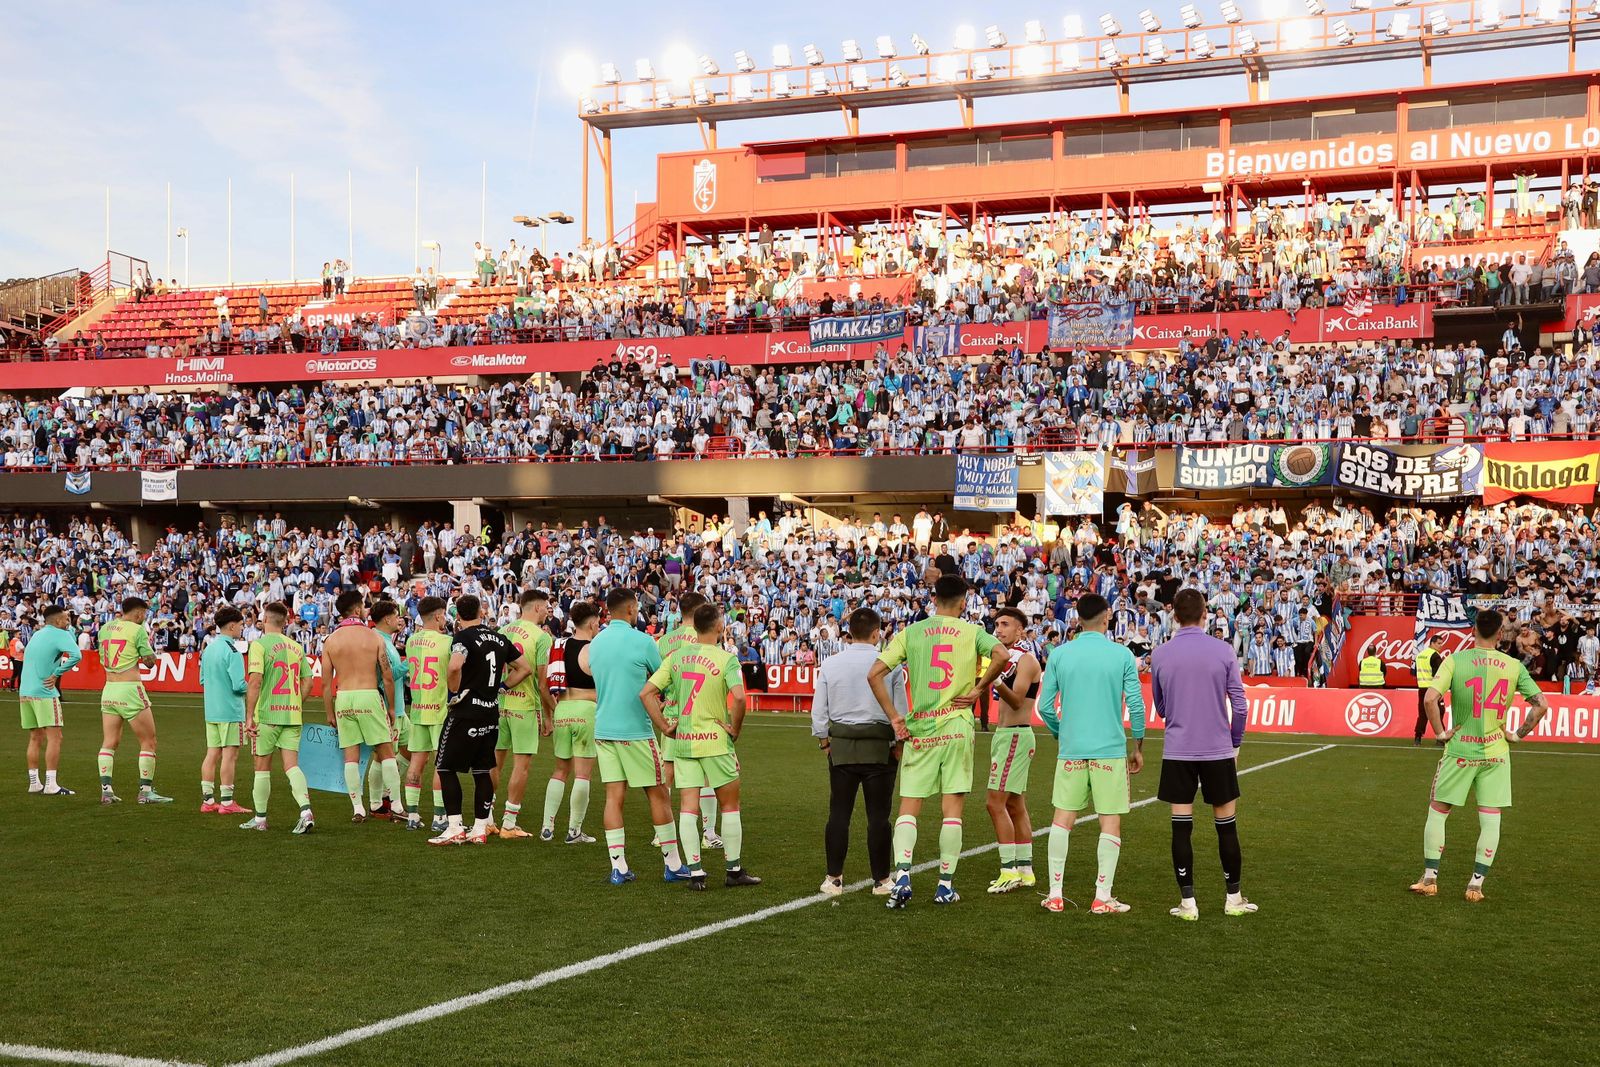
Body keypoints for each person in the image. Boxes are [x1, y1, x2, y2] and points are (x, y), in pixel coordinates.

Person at [868, 574, 1010, 908]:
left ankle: (902, 876)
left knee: (909, 806)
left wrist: (895, 717)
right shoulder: (973, 632)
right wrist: (978, 689)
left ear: (933, 599)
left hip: (922, 729)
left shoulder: (911, 632)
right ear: (963, 602)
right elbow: (1002, 655)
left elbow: (873, 673)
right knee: (952, 810)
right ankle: (945, 885)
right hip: (957, 727)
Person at [1411, 609, 1550, 902]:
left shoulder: (1455, 660)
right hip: (1496, 753)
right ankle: (1476, 884)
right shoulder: (1513, 666)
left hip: (1460, 750)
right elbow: (1540, 705)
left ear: (1474, 630)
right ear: (1501, 634)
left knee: (1438, 812)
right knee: (1490, 819)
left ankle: (1430, 879)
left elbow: (1429, 698)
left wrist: (1440, 731)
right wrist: (1517, 734)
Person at [1036, 594, 1146, 915]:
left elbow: (1044, 706)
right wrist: (1137, 746)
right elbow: (1137, 706)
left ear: (1077, 619)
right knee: (1109, 822)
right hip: (1110, 752)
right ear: (1107, 615)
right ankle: (1102, 897)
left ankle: (1055, 894)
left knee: (1062, 820)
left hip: (1072, 749)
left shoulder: (1060, 654)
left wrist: (1060, 732)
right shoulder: (1121, 654)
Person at [1150, 588, 1254, 921]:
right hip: (1217, 750)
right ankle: (1233, 898)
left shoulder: (1161, 654)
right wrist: (1235, 742)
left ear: (1175, 616)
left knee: (1181, 828)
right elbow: (1240, 704)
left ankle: (1188, 903)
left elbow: (1161, 706)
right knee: (1227, 827)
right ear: (1205, 613)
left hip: (1178, 750)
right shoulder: (1223, 650)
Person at [641, 602, 758, 890]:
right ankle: (733, 871)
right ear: (719, 627)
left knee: (688, 808)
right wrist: (735, 729)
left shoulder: (677, 657)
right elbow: (740, 699)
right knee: (730, 806)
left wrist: (665, 726)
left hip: (684, 743)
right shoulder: (726, 659)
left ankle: (695, 872)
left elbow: (646, 692)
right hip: (716, 742)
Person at [584, 587, 689, 884]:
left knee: (613, 798)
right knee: (658, 794)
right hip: (636, 731)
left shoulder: (597, 642)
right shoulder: (644, 641)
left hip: (604, 729)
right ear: (631, 609)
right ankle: (672, 863)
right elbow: (662, 682)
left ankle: (618, 866)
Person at [812, 607, 902, 897]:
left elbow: (819, 711)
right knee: (879, 817)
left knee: (839, 813)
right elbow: (900, 712)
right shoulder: (889, 664)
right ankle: (882, 880)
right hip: (880, 747)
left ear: (849, 632)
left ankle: (834, 878)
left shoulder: (831, 663)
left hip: (841, 747)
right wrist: (899, 745)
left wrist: (824, 742)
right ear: (877, 633)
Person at [432, 594, 530, 845]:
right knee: (482, 769)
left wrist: (454, 692)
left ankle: (454, 826)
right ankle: (478, 829)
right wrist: (503, 687)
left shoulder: (462, 637)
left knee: (445, 767)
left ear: (458, 616)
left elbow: (455, 666)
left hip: (466, 712)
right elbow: (525, 668)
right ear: (480, 612)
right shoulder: (499, 637)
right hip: (491, 711)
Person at [320, 590, 399, 823]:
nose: (366, 611)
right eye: (364, 607)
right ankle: (396, 804)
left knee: (351, 757)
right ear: (356, 610)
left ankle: (358, 808)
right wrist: (392, 708)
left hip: (344, 698)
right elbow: (387, 675)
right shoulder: (373, 637)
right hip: (368, 696)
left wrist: (329, 712)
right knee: (386, 752)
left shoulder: (330, 640)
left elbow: (326, 684)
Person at [239, 602, 316, 834]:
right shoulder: (296, 646)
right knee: (292, 766)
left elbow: (255, 681)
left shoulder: (259, 645)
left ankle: (260, 819)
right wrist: (295, 702)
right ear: (285, 622)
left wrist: (249, 715)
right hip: (292, 715)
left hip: (268, 715)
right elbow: (308, 681)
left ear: (264, 619)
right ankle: (305, 811)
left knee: (262, 766)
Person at [656, 591, 721, 849]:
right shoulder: (702, 637)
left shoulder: (664, 641)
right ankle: (708, 834)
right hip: (696, 714)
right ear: (700, 610)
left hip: (669, 714)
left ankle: (662, 832)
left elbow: (656, 678)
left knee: (667, 774)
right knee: (704, 775)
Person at [984, 607, 1041, 896]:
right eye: (996, 624)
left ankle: (1008, 871)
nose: (999, 628)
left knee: (994, 803)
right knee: (1015, 805)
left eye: (1005, 624)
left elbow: (1018, 701)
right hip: (1007, 735)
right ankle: (1026, 871)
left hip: (1015, 736)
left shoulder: (1026, 660)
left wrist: (992, 678)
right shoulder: (1007, 659)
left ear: (1021, 631)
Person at [495, 589, 555, 839]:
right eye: (547, 607)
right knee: (521, 765)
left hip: (499, 704)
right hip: (526, 707)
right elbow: (542, 684)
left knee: (494, 761)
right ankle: (509, 823)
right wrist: (550, 714)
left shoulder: (503, 631)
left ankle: (485, 818)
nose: (548, 611)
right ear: (537, 608)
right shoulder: (541, 637)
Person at [97, 597, 167, 804]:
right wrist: (149, 655)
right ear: (138, 613)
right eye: (144, 614)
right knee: (148, 741)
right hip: (130, 690)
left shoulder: (105, 628)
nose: (144, 617)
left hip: (109, 689)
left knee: (109, 742)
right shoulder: (137, 631)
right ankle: (145, 792)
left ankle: (106, 791)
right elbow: (150, 662)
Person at [543, 599, 600, 844]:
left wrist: (554, 710)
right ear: (593, 622)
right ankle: (574, 830)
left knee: (560, 770)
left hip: (562, 709)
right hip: (587, 711)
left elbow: (545, 684)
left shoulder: (558, 645)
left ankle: (547, 826)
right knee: (583, 774)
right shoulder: (596, 649)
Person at [402, 597, 453, 833]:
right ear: (438, 616)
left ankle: (412, 814)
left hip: (418, 708)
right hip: (440, 709)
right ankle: (439, 816)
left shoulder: (412, 641)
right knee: (442, 765)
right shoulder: (447, 641)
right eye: (443, 614)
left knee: (416, 762)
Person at [19, 603, 81, 796]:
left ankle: (34, 783)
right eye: (66, 619)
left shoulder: (37, 633)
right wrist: (57, 673)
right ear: (57, 621)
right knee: (55, 738)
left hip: (26, 691)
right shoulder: (60, 634)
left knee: (35, 737)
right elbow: (76, 655)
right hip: (45, 692)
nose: (68, 622)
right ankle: (51, 784)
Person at [198, 607, 251, 815]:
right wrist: (255, 686)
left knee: (212, 754)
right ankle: (227, 803)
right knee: (230, 756)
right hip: (231, 711)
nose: (241, 628)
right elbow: (239, 686)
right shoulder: (233, 652)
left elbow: (202, 680)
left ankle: (208, 800)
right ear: (231, 625)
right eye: (240, 624)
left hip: (211, 710)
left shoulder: (208, 649)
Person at [367, 600, 411, 820]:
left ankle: (385, 792)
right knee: (381, 754)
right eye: (396, 615)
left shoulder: (386, 639)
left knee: (411, 748)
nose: (399, 619)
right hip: (386, 706)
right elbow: (387, 676)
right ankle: (378, 803)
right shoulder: (376, 639)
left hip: (399, 707)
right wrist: (410, 663)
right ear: (387, 619)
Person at [1413, 631, 1448, 746]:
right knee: (1440, 712)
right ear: (1432, 643)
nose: (1440, 646)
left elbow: (1416, 672)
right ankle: (1440, 739)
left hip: (1422, 688)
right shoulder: (1435, 656)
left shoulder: (1419, 655)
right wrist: (1441, 691)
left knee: (1422, 714)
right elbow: (1439, 675)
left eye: (1441, 643)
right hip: (1433, 689)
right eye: (1438, 643)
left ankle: (1417, 738)